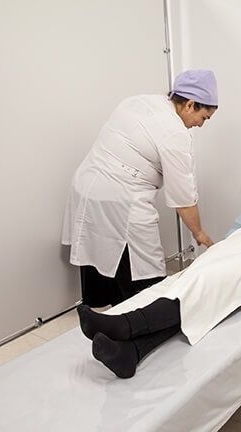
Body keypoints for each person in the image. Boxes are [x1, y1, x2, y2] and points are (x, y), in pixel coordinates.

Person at [76, 195, 241, 378]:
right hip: (227, 251)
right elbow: (236, 238)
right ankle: (130, 353)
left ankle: (124, 325)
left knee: (201, 284)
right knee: (189, 287)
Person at [61, 70, 218, 308]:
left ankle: (100, 311)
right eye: (204, 117)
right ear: (190, 104)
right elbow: (183, 198)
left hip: (86, 185)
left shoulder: (139, 102)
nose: (200, 124)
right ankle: (139, 315)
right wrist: (199, 234)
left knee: (97, 251)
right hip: (121, 198)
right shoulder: (175, 133)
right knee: (144, 272)